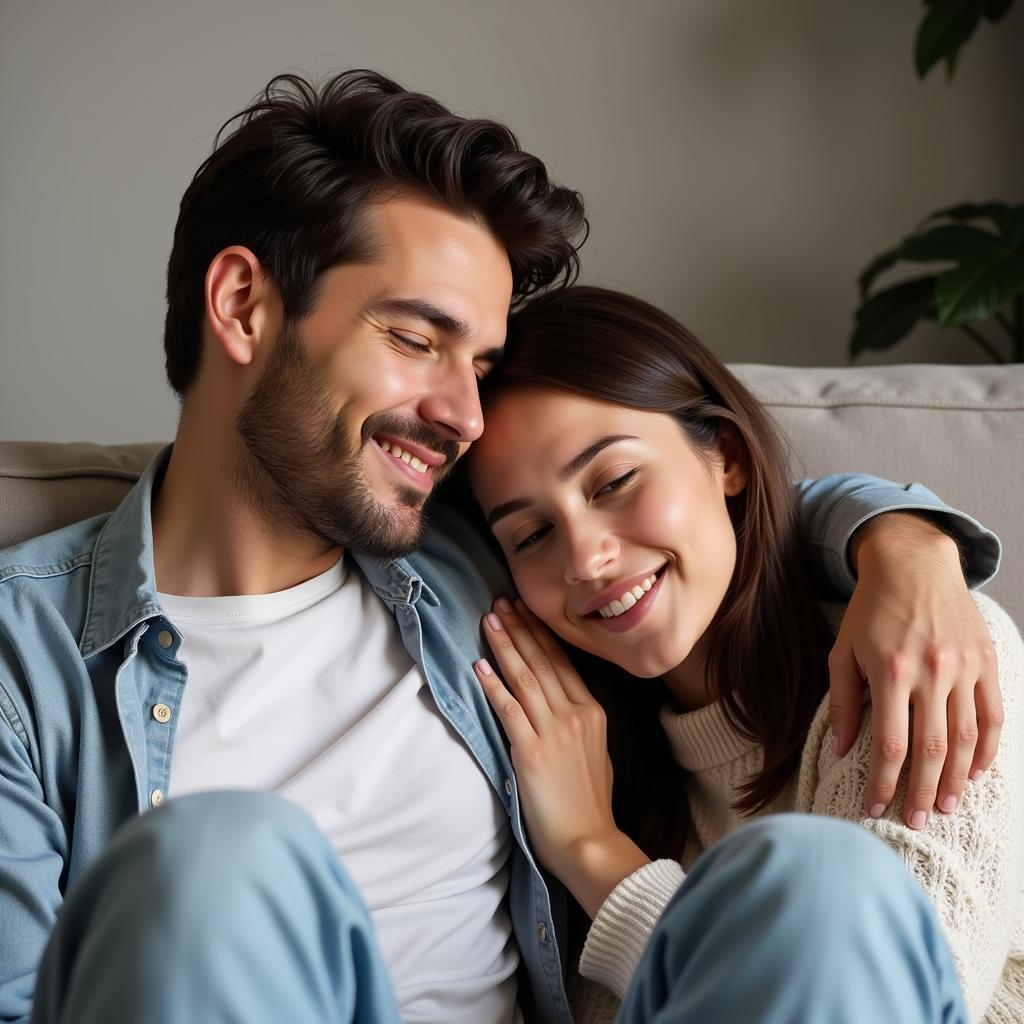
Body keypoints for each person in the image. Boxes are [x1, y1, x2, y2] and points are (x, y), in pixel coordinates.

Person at [0, 71, 1005, 1024]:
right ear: (242, 306)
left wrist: (902, 544)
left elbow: (713, 525)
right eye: (415, 338)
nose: (465, 416)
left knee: (816, 880)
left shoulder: (475, 565)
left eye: (478, 363)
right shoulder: (24, 659)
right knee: (213, 863)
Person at [467, 286, 1023, 1023]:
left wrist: (597, 855)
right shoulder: (580, 768)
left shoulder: (921, 654)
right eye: (530, 535)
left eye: (614, 481)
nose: (586, 560)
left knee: (820, 877)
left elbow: (882, 997)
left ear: (724, 457)